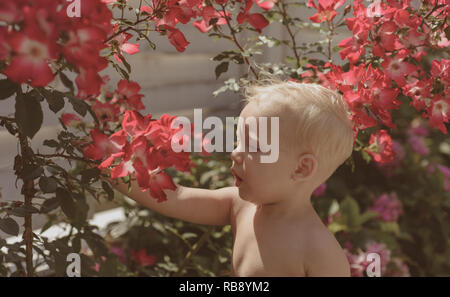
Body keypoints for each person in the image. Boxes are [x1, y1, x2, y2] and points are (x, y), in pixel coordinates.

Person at [103, 78, 354, 276]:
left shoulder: (319, 251)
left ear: (301, 169)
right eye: (237, 141)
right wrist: (111, 169)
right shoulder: (239, 205)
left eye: (252, 147)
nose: (234, 153)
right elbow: (175, 197)